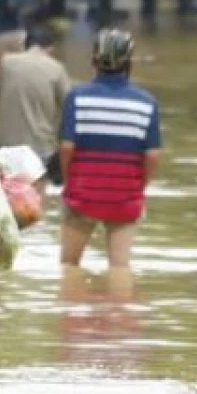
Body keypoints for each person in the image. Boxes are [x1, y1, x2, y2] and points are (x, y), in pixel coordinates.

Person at [57, 28, 161, 270]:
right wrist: (140, 187)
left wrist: (68, 181)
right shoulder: (146, 102)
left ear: (94, 60)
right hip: (125, 196)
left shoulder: (77, 97)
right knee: (120, 266)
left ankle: (71, 304)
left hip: (83, 192)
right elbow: (152, 155)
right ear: (129, 62)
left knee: (69, 265)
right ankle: (119, 305)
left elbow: (66, 147)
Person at [0, 26, 71, 191]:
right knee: (32, 205)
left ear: (26, 46)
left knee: (4, 201)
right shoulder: (56, 68)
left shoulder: (6, 63)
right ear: (50, 48)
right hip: (39, 148)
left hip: (4, 147)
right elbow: (70, 110)